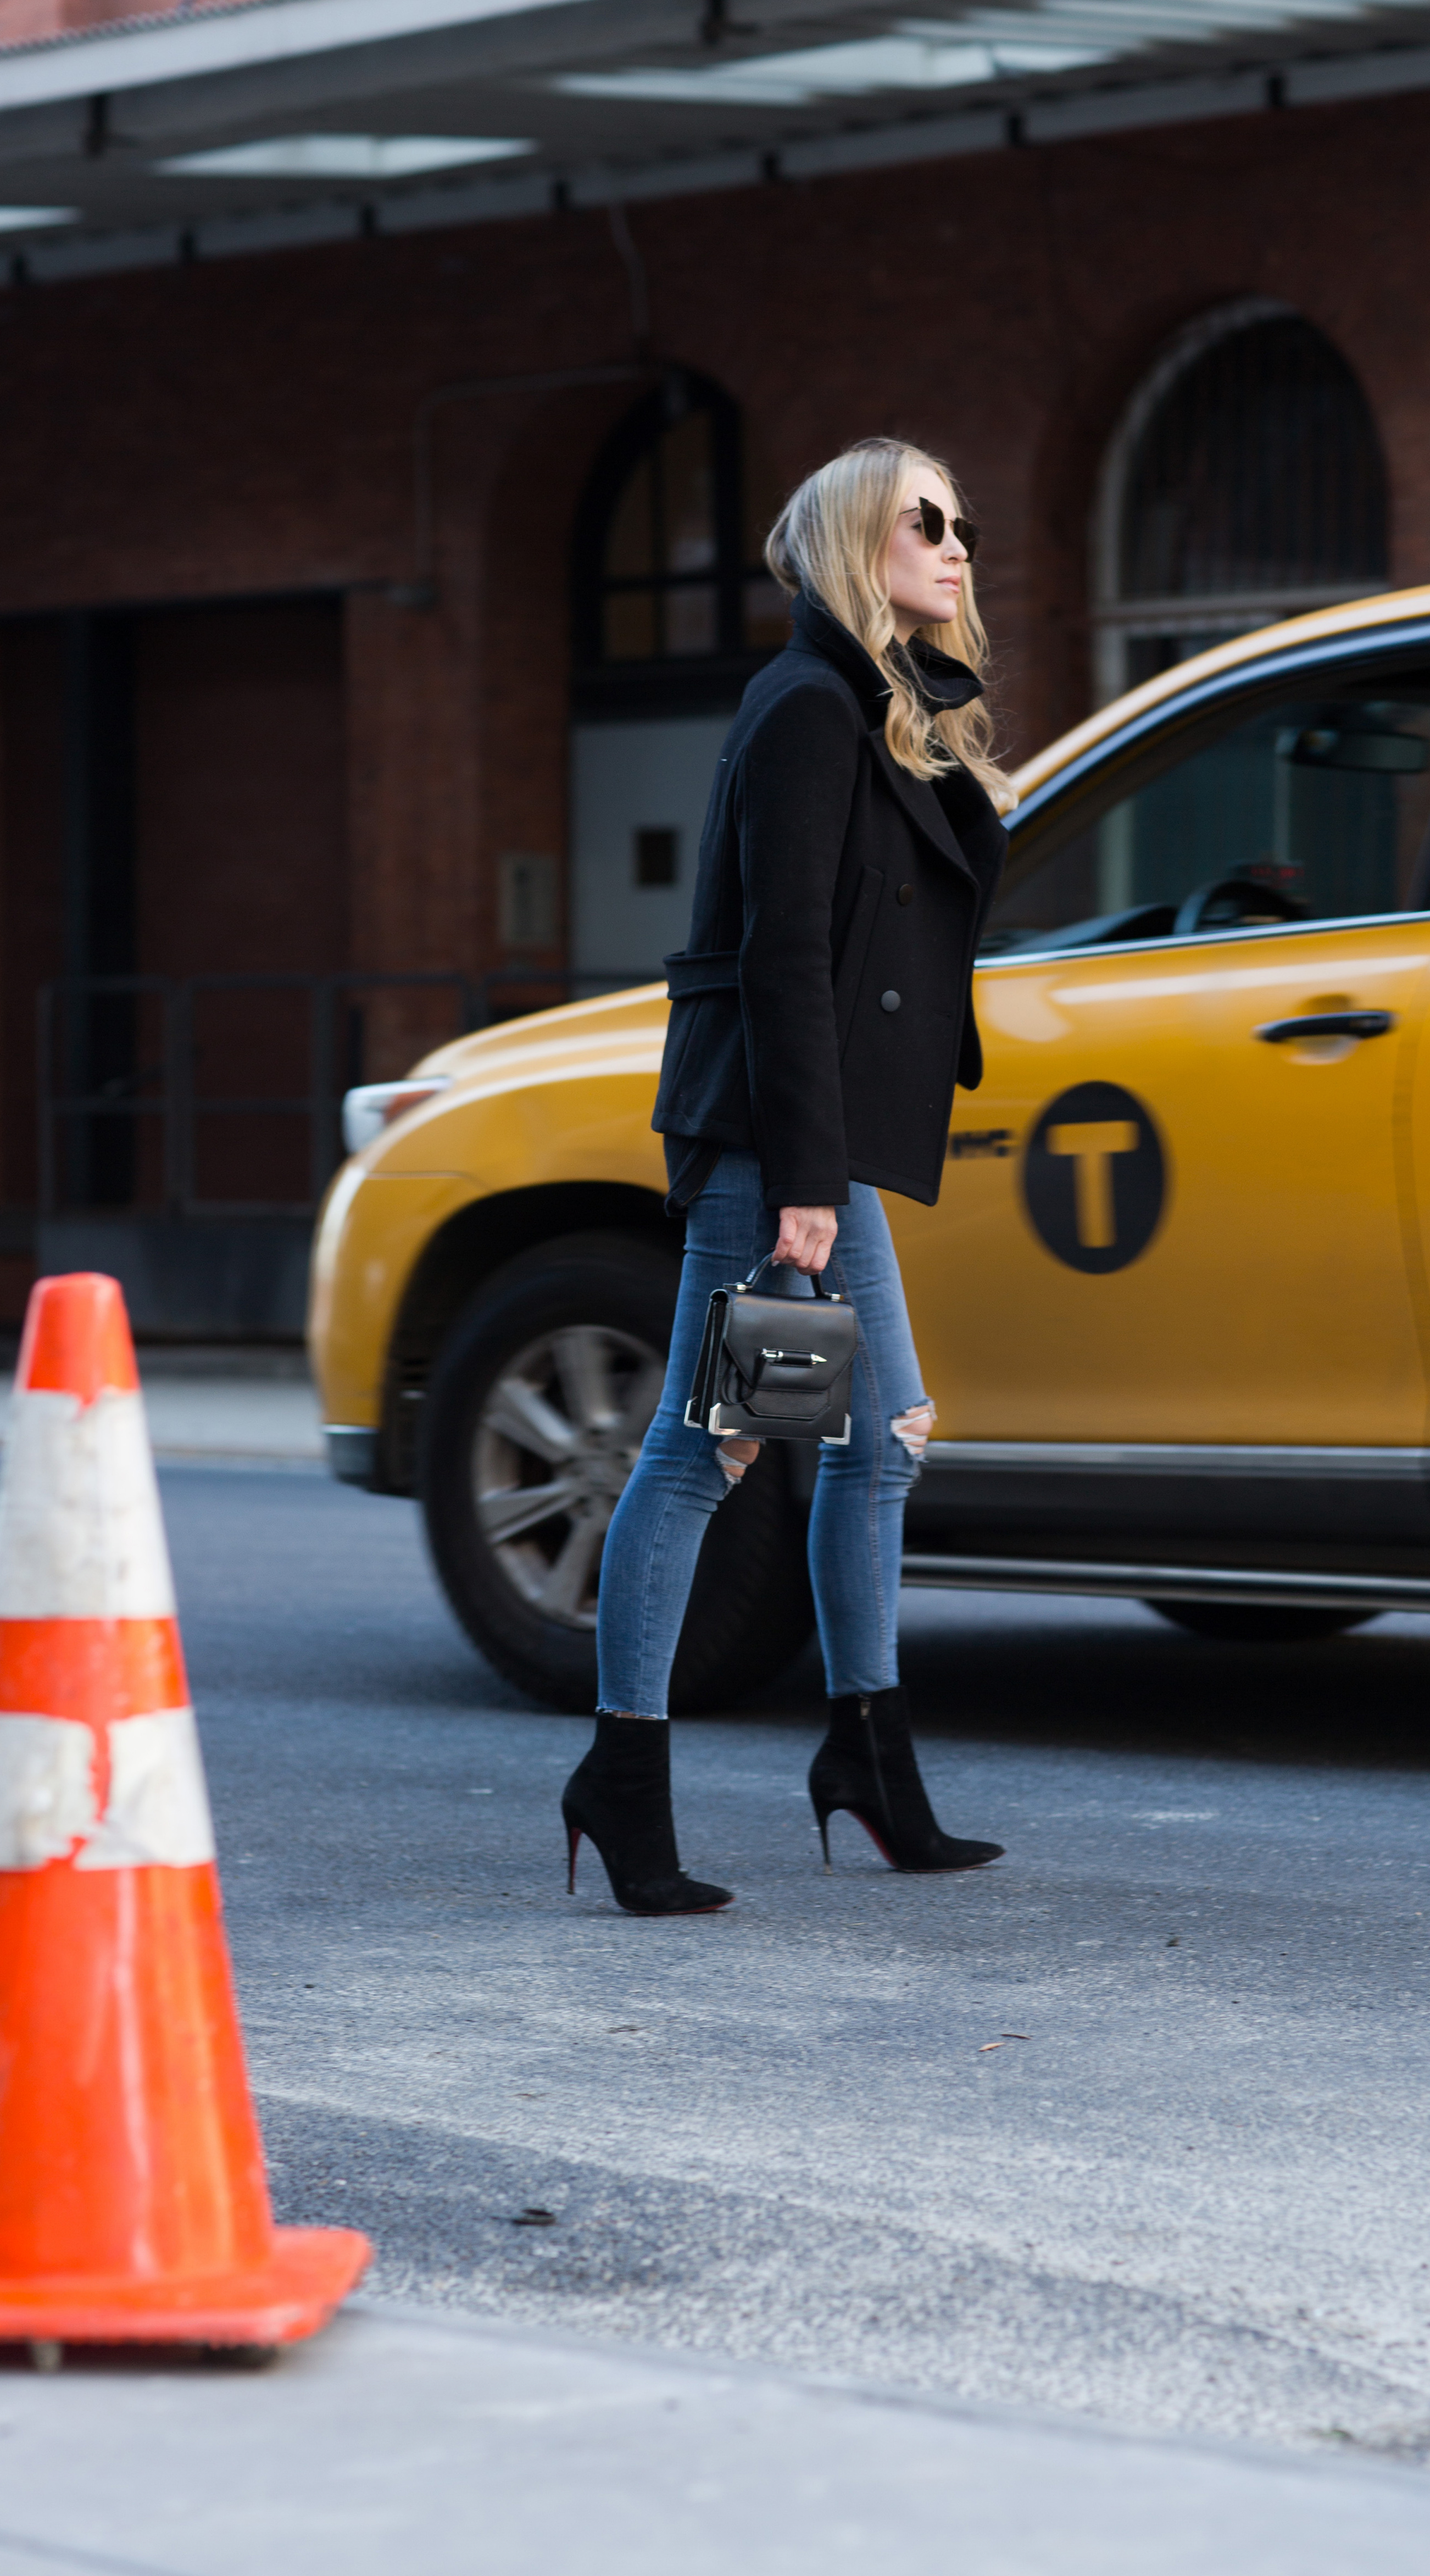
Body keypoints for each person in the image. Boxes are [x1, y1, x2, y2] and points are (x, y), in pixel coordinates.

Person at [561, 437, 1014, 1916]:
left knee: (880, 1442)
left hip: (822, 1148)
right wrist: (807, 1187)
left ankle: (867, 1760)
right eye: (922, 523)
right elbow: (784, 964)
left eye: (959, 523)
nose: (955, 546)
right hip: (776, 1146)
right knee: (711, 1455)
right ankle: (625, 1782)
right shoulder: (811, 709)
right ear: (850, 550)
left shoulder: (881, 705)